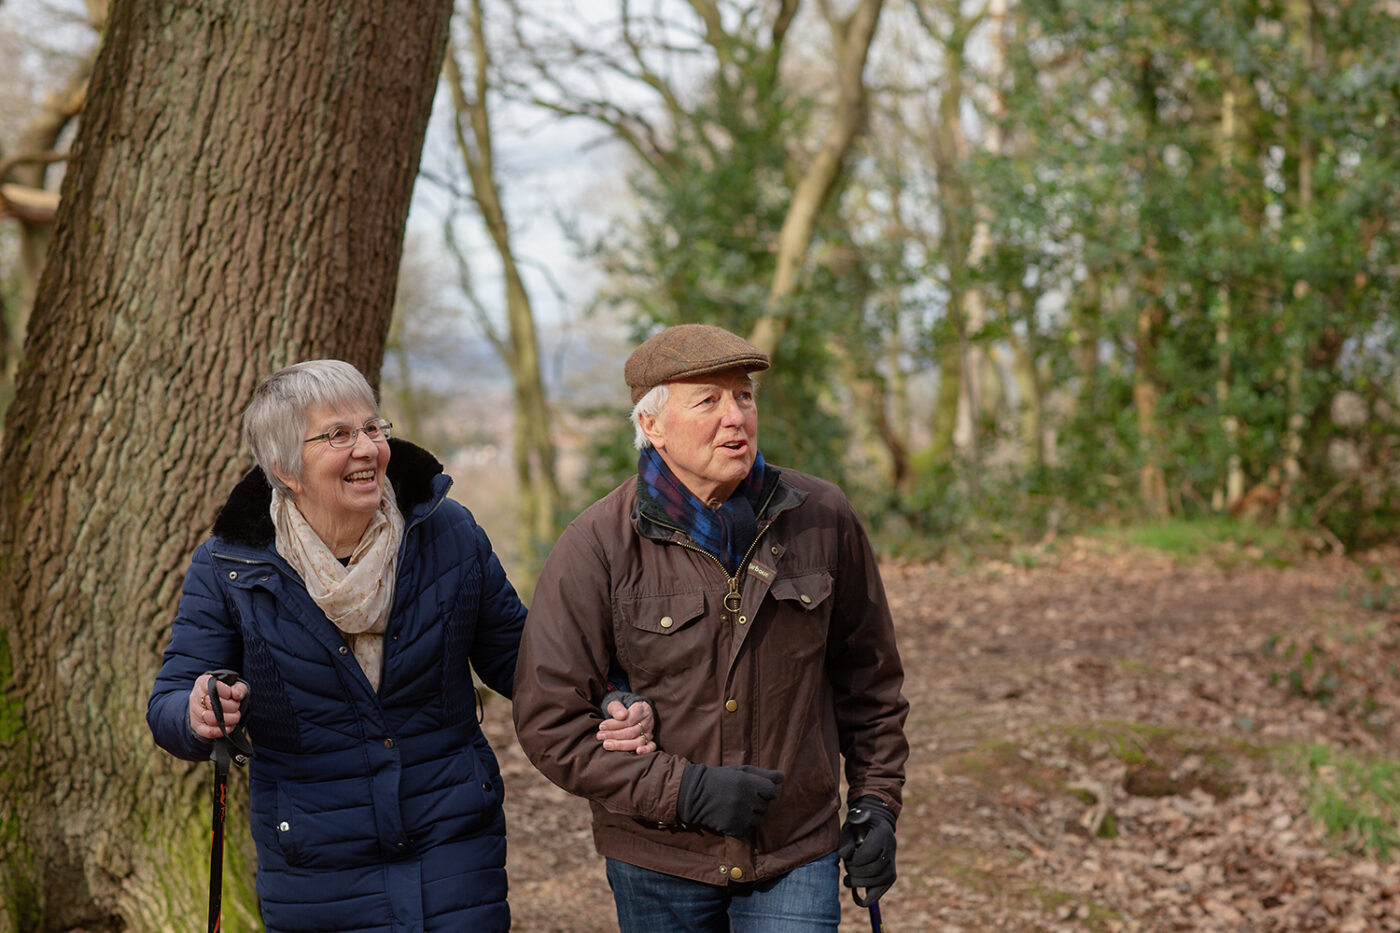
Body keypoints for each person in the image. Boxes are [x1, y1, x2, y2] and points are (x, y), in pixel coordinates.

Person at [147, 359, 653, 933]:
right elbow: (169, 703)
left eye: (371, 428)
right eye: (338, 435)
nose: (366, 448)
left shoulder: (448, 532)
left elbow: (524, 657)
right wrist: (195, 712)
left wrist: (608, 695)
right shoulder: (230, 566)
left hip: (451, 837)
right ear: (286, 468)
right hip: (315, 861)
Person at [512, 324, 910, 932]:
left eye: (744, 396)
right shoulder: (596, 545)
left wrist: (877, 804)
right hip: (658, 860)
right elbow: (549, 719)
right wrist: (685, 792)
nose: (736, 418)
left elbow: (871, 682)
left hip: (795, 849)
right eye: (708, 400)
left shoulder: (822, 518)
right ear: (652, 426)